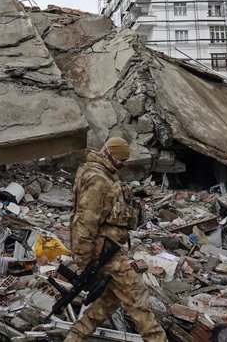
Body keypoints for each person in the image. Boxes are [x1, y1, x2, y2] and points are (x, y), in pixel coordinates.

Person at [65, 137, 167, 342]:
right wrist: (85, 262)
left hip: (108, 250)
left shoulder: (101, 174)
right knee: (137, 297)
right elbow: (84, 223)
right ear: (109, 155)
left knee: (110, 300)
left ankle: (74, 337)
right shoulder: (98, 180)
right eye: (120, 160)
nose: (122, 165)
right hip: (103, 253)